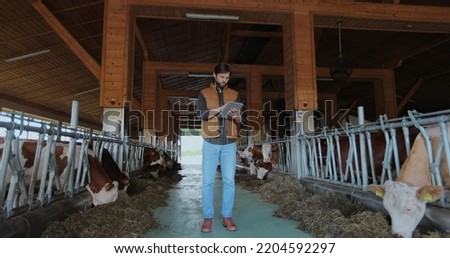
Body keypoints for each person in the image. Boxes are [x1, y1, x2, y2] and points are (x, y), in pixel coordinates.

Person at [196, 62, 242, 233]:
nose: (224, 80)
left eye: (227, 77)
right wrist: (221, 108)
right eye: (222, 77)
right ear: (214, 75)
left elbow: (241, 122)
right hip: (210, 143)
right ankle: (208, 218)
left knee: (229, 181)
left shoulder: (235, 94)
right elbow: (201, 114)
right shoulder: (204, 93)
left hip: (229, 144)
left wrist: (238, 118)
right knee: (207, 182)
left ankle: (227, 216)